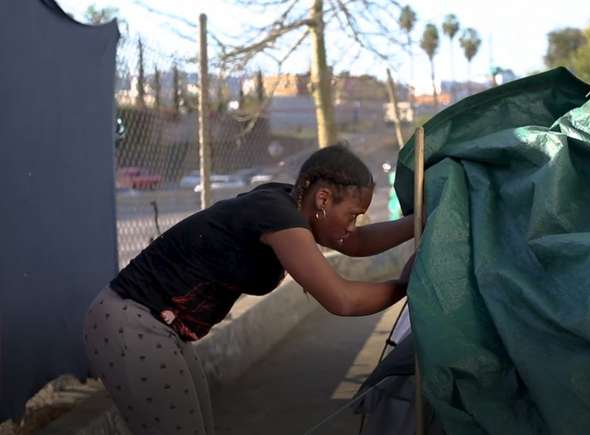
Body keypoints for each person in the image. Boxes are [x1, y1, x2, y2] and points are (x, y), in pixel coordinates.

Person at [83, 144, 416, 435]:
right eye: (352, 215)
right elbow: (340, 299)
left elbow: (355, 242)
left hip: (155, 327)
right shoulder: (276, 216)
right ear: (324, 198)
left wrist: (420, 223)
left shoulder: (289, 204)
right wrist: (406, 286)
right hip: (131, 322)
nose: (352, 225)